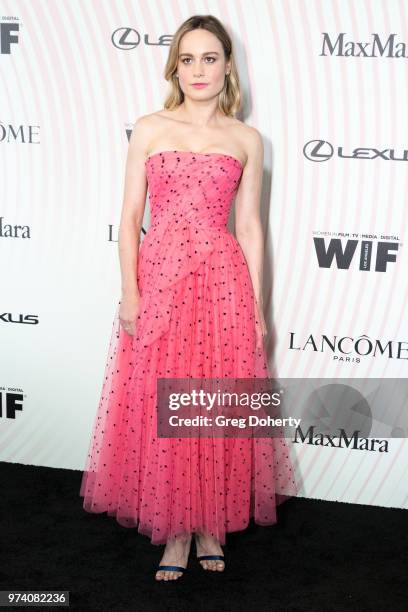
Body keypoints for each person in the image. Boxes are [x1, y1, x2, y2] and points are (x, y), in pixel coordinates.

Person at [79, 14, 297, 582]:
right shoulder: (151, 128)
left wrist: (257, 310)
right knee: (161, 397)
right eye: (188, 58)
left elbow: (250, 228)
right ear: (175, 65)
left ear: (228, 66)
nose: (198, 69)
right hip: (159, 278)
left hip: (222, 282)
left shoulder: (247, 139)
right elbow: (129, 219)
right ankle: (174, 532)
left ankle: (209, 524)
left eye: (210, 58)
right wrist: (130, 292)